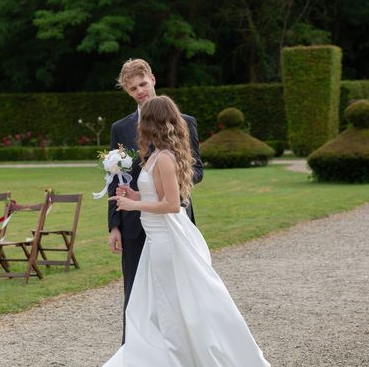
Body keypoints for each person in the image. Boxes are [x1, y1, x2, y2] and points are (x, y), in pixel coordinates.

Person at [104, 96, 269, 366]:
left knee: (172, 304)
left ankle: (181, 355)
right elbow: (155, 193)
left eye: (143, 122)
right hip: (155, 241)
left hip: (166, 241)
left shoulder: (166, 158)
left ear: (152, 123)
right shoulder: (155, 155)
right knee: (154, 304)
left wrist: (133, 204)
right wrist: (134, 192)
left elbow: (171, 204)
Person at [107, 59, 203, 342]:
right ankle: (135, 350)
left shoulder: (185, 122)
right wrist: (114, 225)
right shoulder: (120, 129)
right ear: (127, 92)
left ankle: (181, 348)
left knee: (179, 290)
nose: (139, 91)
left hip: (172, 220)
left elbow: (196, 170)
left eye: (142, 84)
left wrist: (169, 185)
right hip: (133, 222)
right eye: (132, 88)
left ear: (153, 80)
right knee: (136, 292)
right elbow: (115, 178)